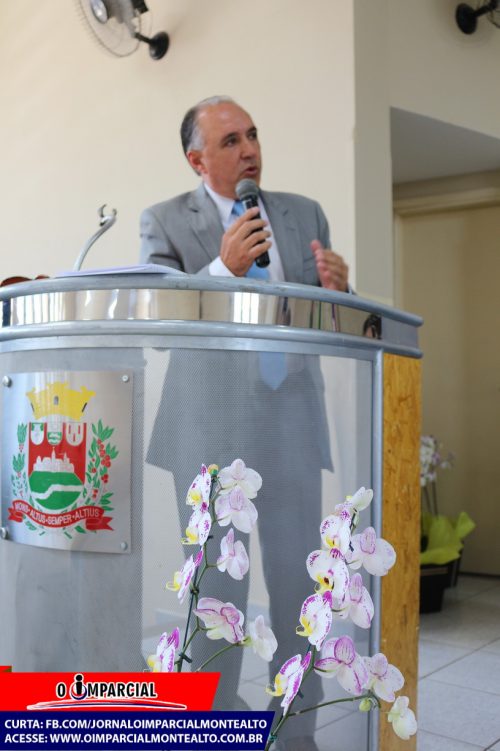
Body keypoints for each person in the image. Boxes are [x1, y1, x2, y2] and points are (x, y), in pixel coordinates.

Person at [140, 96, 351, 751]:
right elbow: (158, 322)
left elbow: (328, 325)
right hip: (210, 438)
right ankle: (216, 734)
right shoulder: (164, 221)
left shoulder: (303, 214)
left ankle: (296, 735)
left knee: (299, 597)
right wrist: (219, 271)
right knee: (218, 604)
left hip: (292, 428)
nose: (250, 149)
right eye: (230, 140)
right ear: (197, 159)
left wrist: (339, 296)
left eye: (252, 135)